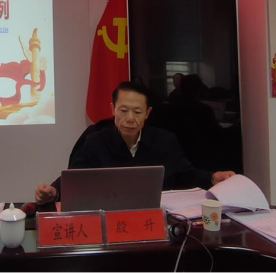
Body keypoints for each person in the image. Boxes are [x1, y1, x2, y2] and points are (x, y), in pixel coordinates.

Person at [35, 81, 235, 205]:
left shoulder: (165, 141)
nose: (130, 119)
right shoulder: (96, 140)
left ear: (147, 113)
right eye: (123, 111)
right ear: (113, 109)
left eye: (137, 112)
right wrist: (54, 192)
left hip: (154, 220)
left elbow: (185, 175)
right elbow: (76, 178)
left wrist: (212, 177)